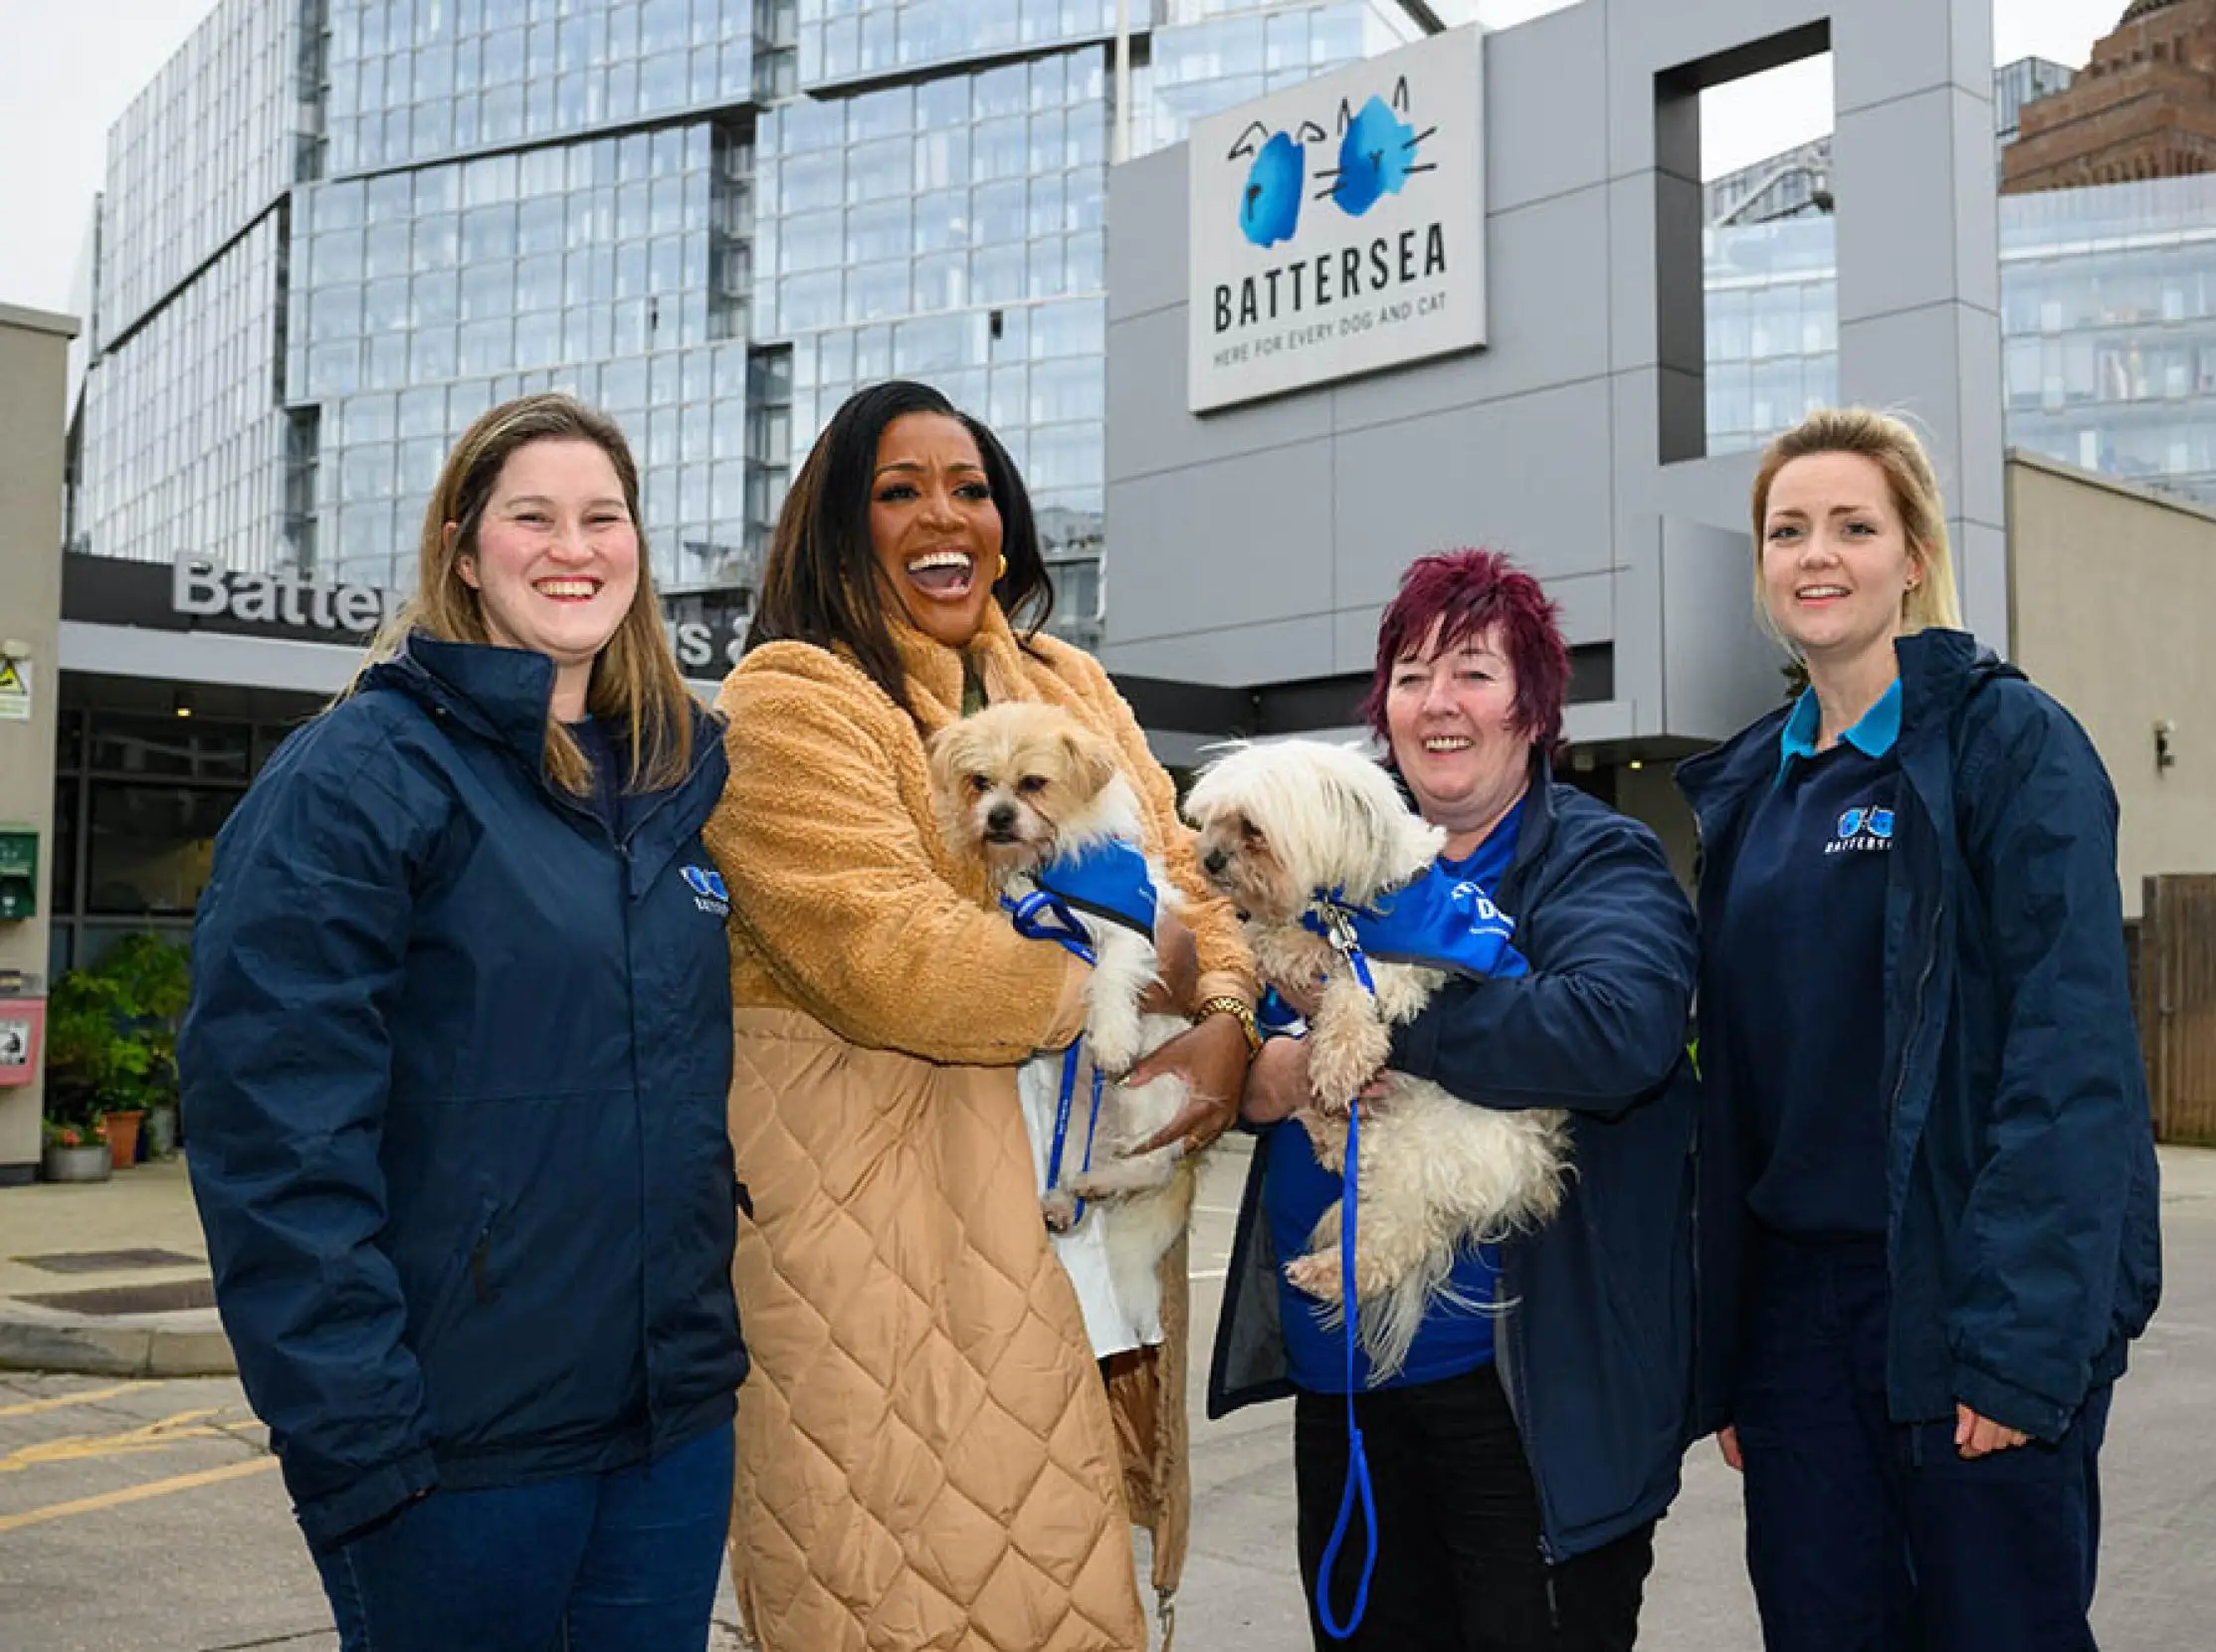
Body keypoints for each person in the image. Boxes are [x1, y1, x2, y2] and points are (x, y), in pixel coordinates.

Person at [180, 393, 744, 1651]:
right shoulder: (361, 775)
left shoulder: (674, 783)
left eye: (604, 516)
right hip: (452, 1452)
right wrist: (359, 1437)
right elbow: (272, 1129)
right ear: (461, 548)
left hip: (670, 1432)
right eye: (530, 516)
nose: (572, 546)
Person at [705, 380, 1256, 1651]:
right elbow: (887, 955)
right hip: (884, 1242)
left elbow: (1189, 873)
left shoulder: (1066, 679)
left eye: (971, 489)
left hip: (1067, 1233)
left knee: (1065, 1583)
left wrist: (1224, 1010)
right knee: (914, 1590)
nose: (943, 515)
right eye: (898, 491)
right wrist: (1129, 979)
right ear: (838, 528)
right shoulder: (791, 695)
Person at [1677, 407, 2164, 1651]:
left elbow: (2072, 1069)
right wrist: (1737, 1351)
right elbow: (1733, 1099)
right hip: (1796, 1325)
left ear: (1911, 555)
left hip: (1958, 1300)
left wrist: (2014, 1352)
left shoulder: (2010, 746)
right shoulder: (1748, 796)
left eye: (1852, 524)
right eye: (1787, 530)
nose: (1816, 554)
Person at [1209, 548, 1711, 1651]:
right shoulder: (1323, 863)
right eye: (1411, 672)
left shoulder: (1600, 862)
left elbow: (1614, 1032)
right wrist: (1272, 1070)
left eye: (1474, 672)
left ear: (1533, 706)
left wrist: (1379, 1014)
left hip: (1521, 1401)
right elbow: (1252, 1056)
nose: (1438, 701)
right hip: (1344, 1378)